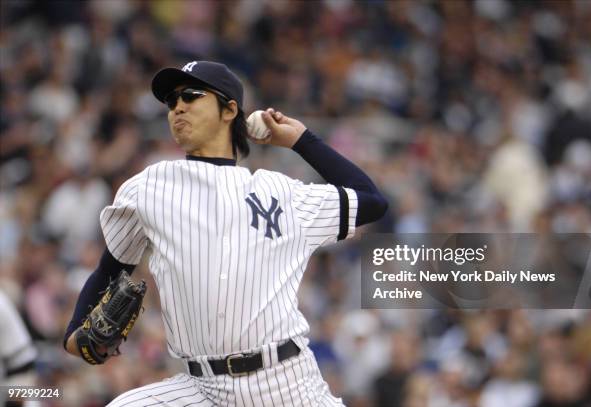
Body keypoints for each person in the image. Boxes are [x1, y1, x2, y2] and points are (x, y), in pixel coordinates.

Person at [64, 60, 388, 406]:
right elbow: (111, 270)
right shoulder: (147, 188)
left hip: (286, 384)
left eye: (190, 95)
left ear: (229, 109)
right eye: (171, 102)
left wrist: (301, 140)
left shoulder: (281, 192)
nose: (178, 107)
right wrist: (74, 333)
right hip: (201, 388)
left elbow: (371, 200)